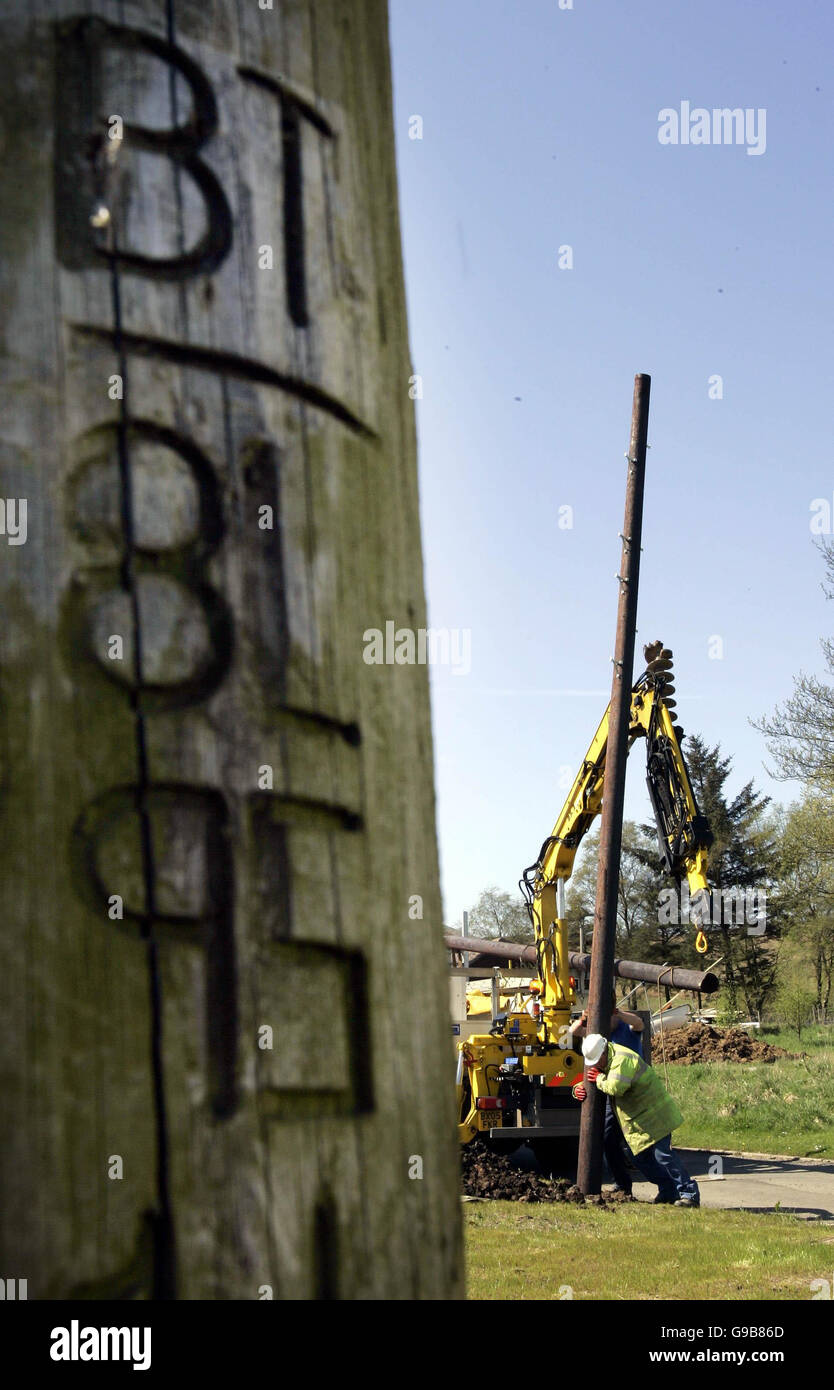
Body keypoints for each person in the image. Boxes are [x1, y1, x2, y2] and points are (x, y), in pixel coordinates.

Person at [573, 1031, 700, 1208]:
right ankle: (668, 1189)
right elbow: (592, 1079)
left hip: (655, 1115)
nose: (596, 1066)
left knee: (663, 1156)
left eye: (596, 1061)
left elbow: (615, 1087)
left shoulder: (621, 1059)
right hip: (640, 1120)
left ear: (603, 1053)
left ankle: (689, 1194)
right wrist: (578, 1088)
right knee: (639, 1159)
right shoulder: (606, 1060)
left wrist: (599, 1078)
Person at [568, 997, 644, 1197]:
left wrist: (618, 1014)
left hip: (632, 1093)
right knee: (608, 1138)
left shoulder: (626, 1029)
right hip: (609, 1090)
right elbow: (573, 1031)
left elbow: (638, 1023)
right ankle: (622, 1184)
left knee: (643, 1142)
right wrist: (584, 1018)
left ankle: (668, 1186)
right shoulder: (597, 1034)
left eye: (607, 1018)